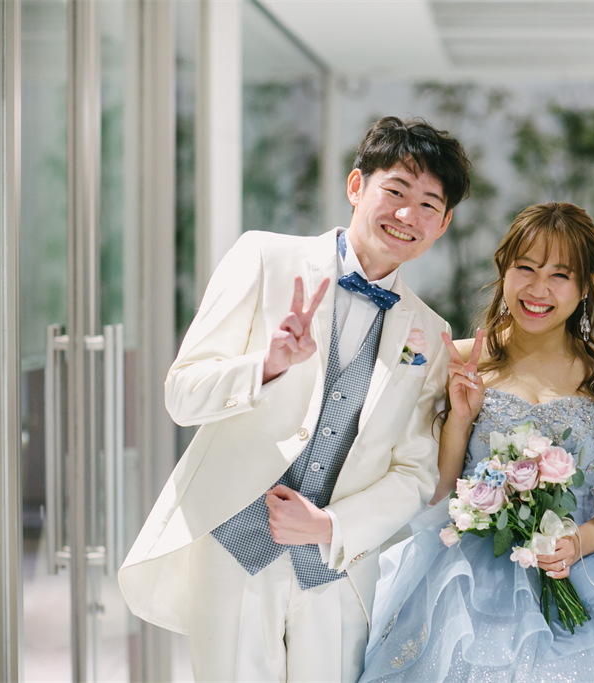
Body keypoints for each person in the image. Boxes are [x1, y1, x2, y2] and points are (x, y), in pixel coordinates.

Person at [118, 116, 472, 682]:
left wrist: (331, 526)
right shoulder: (263, 258)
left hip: (337, 567)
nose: (408, 215)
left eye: (429, 204)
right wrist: (268, 365)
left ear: (444, 222)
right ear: (356, 186)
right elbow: (182, 395)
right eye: (396, 191)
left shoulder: (430, 332)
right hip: (232, 547)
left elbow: (414, 472)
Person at [359, 202, 594, 683]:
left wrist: (580, 541)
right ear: (503, 269)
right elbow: (434, 493)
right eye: (525, 268)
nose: (538, 290)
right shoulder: (458, 361)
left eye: (560, 275)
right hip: (465, 588)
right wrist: (460, 419)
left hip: (579, 576)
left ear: (586, 286)